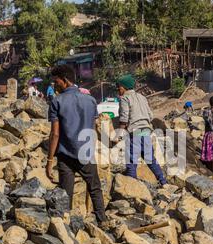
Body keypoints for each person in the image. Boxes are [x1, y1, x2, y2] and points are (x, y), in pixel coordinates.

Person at [46, 65, 107, 223]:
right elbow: (92, 128)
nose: (55, 85)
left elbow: (55, 134)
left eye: (56, 81)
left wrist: (49, 160)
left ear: (65, 80)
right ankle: (103, 220)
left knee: (66, 194)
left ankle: (66, 226)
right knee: (94, 188)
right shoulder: (91, 100)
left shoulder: (57, 102)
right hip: (85, 152)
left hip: (66, 155)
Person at [116, 74, 167, 186]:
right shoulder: (142, 97)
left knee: (131, 160)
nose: (118, 90)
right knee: (150, 158)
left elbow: (124, 118)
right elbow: (150, 115)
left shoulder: (125, 98)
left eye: (119, 87)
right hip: (146, 130)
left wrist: (119, 134)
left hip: (135, 131)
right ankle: (163, 182)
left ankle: (132, 185)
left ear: (124, 87)